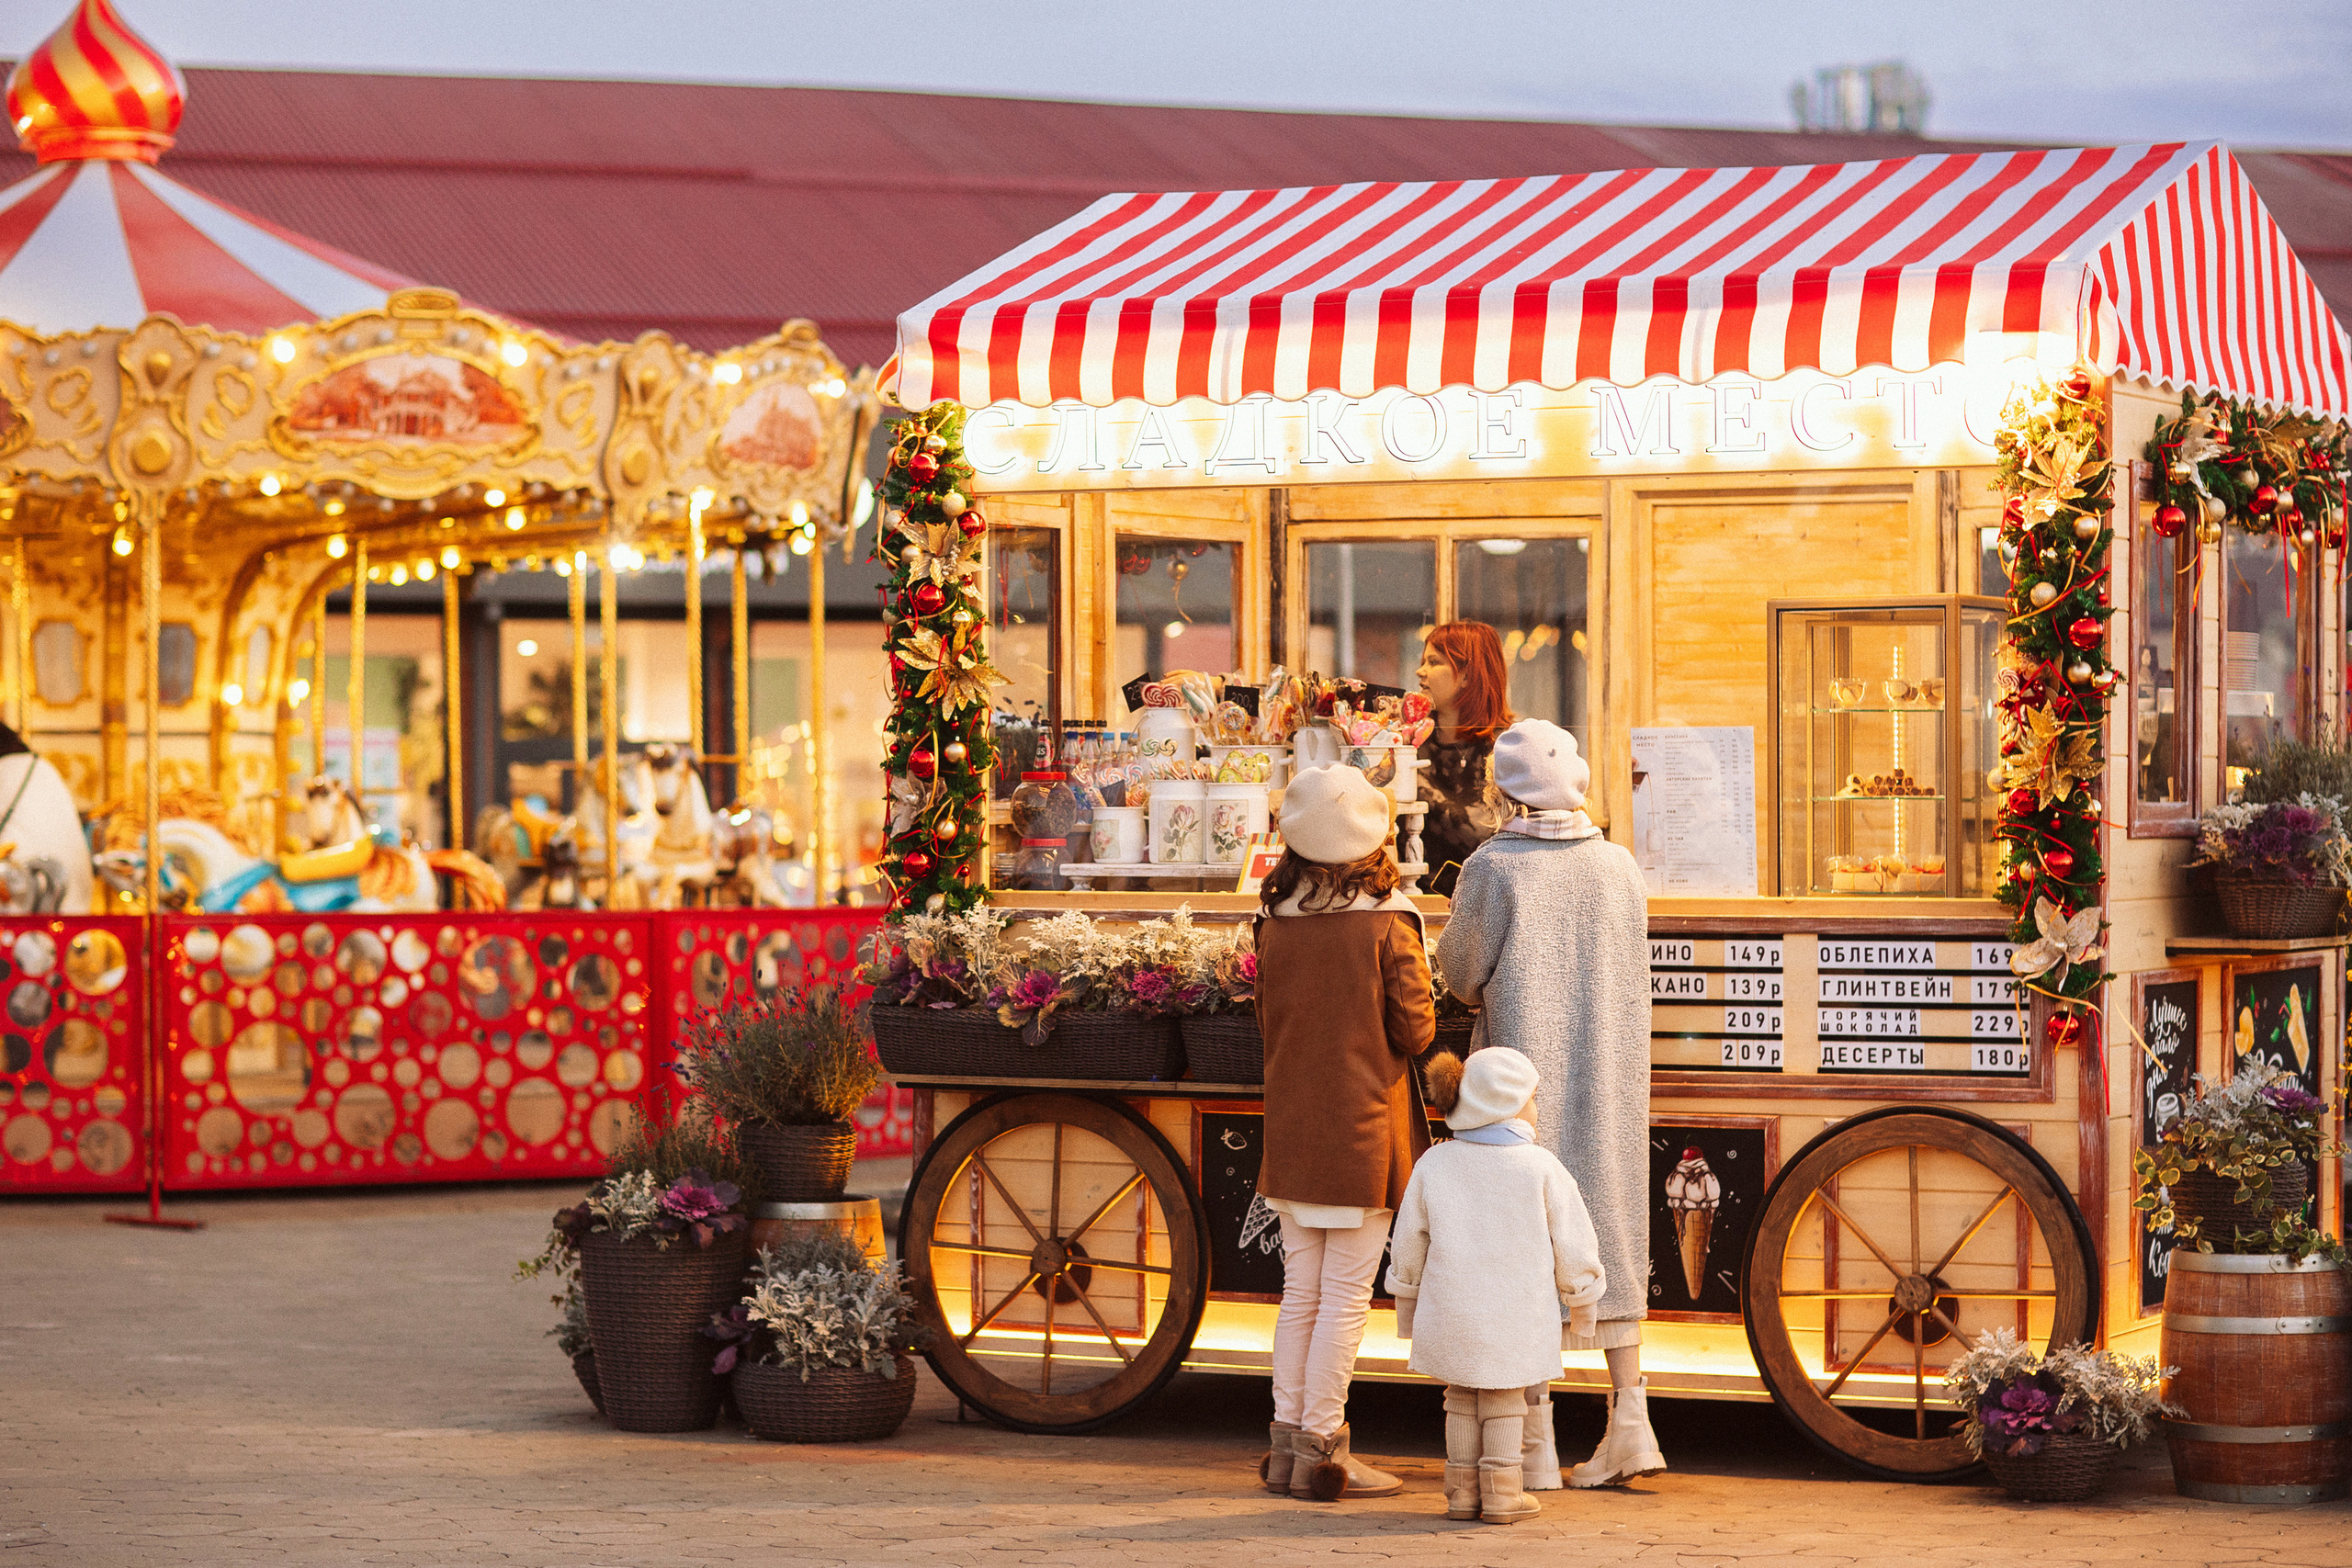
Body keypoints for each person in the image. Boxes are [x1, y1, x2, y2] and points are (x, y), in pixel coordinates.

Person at [1433, 717, 1660, 1488]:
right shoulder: (1620, 866)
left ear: (1504, 790)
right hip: (1615, 1074)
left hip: (1518, 1091)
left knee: (1524, 1242)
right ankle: (1632, 1419)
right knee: (1613, 1226)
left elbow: (1461, 976)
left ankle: (1533, 1438)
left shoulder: (1492, 869)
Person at [1252, 763, 1434, 1502]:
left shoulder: (1273, 920)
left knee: (1301, 1294)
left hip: (1292, 1128)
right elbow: (1416, 1030)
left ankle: (1287, 1446)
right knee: (1346, 1298)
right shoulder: (1390, 921)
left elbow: (1268, 1020)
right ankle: (1326, 1448)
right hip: (1363, 1131)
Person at [1387, 1048, 1606, 1525]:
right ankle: (1504, 1493)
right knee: (1507, 1398)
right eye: (1531, 1100)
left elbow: (1408, 1241)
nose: (1537, 1110)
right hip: (1517, 1314)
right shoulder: (1541, 1167)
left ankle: (1462, 1493)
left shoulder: (1435, 1163)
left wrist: (1406, 1303)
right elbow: (1574, 1241)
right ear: (1506, 1104)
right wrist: (1581, 1301)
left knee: (1461, 1397)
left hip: (1453, 1311)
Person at [1413, 622, 1514, 898]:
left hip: (1491, 907)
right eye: (1423, 661)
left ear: (1469, 675)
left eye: (1434, 662)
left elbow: (1489, 836)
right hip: (1417, 906)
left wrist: (1415, 781)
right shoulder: (1410, 741)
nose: (1420, 671)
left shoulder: (1508, 748)